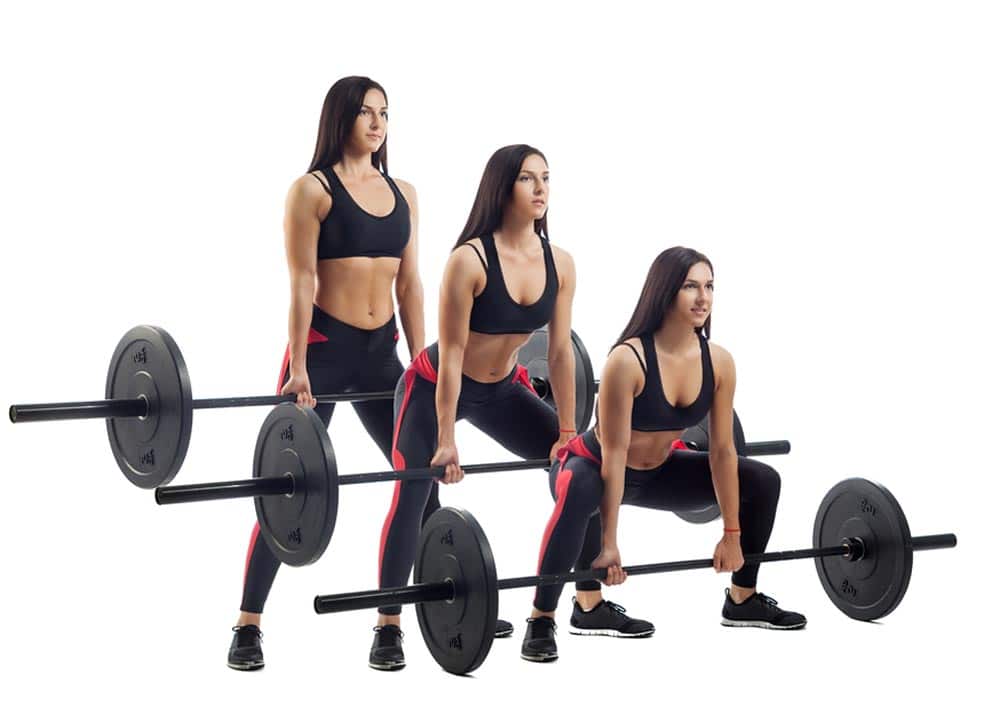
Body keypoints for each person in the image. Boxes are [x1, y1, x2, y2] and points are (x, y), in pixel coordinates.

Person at [521, 246, 805, 663]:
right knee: (583, 486)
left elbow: (722, 451)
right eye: (691, 286)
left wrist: (731, 533)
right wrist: (609, 545)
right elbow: (613, 455)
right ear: (665, 291)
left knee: (763, 480)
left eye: (710, 286)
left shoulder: (719, 362)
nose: (703, 297)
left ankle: (742, 597)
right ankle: (550, 615)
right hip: (592, 467)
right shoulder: (627, 360)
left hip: (659, 473)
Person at [228, 76, 425, 671]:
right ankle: (248, 623)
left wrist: (423, 365)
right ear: (340, 118)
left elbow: (410, 284)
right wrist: (300, 367)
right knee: (287, 488)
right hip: (319, 353)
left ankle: (393, 623)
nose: (377, 122)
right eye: (365, 112)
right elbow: (302, 283)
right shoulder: (311, 191)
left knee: (420, 474)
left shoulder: (405, 193)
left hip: (379, 354)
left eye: (384, 113)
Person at [369, 145, 577, 670]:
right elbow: (453, 353)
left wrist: (570, 431)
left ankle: (565, 611)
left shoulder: (561, 263)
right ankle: (387, 626)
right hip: (435, 384)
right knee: (413, 491)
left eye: (546, 178)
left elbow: (558, 352)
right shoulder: (470, 260)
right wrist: (446, 439)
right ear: (502, 187)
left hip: (504, 389)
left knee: (582, 472)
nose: (541, 188)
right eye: (528, 178)